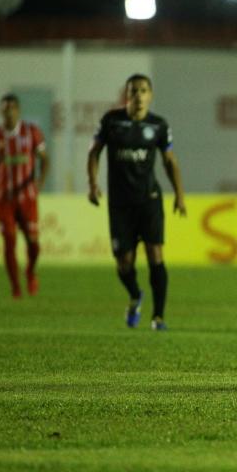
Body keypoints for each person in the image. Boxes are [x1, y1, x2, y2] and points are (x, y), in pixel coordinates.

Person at [87, 74, 187, 331]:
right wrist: (92, 184)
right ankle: (135, 295)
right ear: (126, 95)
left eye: (144, 91)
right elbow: (94, 152)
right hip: (120, 205)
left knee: (156, 255)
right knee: (124, 262)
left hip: (149, 201)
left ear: (150, 96)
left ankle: (158, 316)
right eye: (134, 91)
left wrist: (180, 195)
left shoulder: (159, 125)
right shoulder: (111, 122)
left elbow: (169, 161)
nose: (139, 96)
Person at [0, 94, 49, 298]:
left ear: (18, 110)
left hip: (27, 198)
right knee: (9, 240)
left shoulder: (32, 132)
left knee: (33, 243)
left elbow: (45, 160)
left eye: (12, 107)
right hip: (3, 198)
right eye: (5, 108)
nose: (9, 111)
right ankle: (16, 287)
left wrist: (39, 183)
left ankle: (30, 271)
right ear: (1, 111)